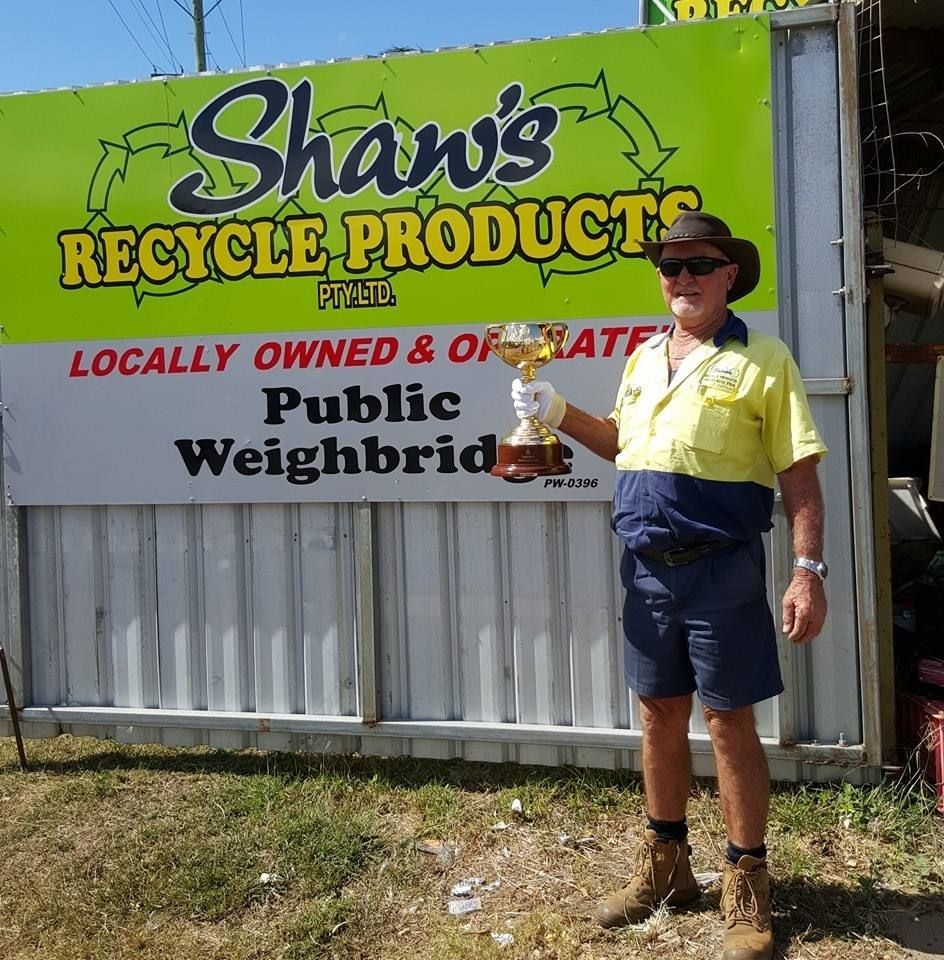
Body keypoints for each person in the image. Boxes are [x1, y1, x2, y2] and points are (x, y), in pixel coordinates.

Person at [511, 211, 828, 960]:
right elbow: (622, 443)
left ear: (729, 276)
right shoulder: (643, 357)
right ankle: (667, 866)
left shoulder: (764, 360)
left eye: (698, 263)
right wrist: (553, 412)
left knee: (727, 723)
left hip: (723, 569)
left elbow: (801, 478)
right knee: (657, 716)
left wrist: (807, 571)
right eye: (669, 265)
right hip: (647, 570)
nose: (681, 276)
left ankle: (747, 879)